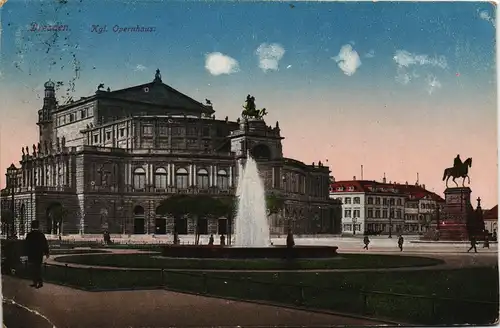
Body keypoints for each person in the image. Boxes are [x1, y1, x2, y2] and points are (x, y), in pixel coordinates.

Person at [25, 220, 49, 288]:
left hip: (31, 254)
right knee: (38, 268)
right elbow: (45, 244)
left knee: (33, 268)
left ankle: (35, 282)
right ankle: (40, 282)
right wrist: (46, 252)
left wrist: (26, 253)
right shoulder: (41, 234)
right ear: (38, 226)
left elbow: (26, 245)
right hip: (39, 254)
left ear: (32, 226)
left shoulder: (29, 235)